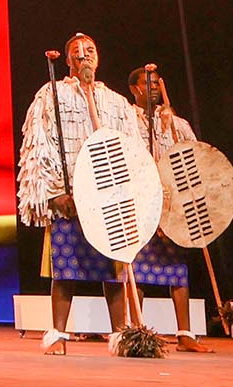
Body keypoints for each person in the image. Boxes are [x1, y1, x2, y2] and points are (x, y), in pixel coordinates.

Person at [17, 33, 143, 355]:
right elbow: (38, 145)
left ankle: (120, 335)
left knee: (114, 270)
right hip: (69, 198)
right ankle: (58, 334)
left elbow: (132, 152)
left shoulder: (117, 103)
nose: (83, 55)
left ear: (97, 58)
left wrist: (127, 195)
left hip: (107, 200)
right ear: (68, 60)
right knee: (65, 269)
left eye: (89, 50)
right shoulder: (51, 94)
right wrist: (55, 192)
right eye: (76, 51)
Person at [128, 66, 212, 354]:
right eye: (147, 84)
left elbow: (194, 158)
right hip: (140, 204)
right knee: (137, 269)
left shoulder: (176, 123)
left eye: (156, 84)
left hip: (171, 207)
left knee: (177, 269)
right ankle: (136, 332)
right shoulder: (126, 121)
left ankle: (185, 334)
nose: (153, 88)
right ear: (135, 89)